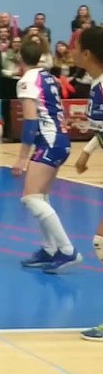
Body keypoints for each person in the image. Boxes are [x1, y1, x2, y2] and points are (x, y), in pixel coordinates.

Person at [12, 38, 82, 274]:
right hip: (59, 140)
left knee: (31, 198)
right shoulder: (49, 77)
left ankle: (67, 250)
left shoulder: (26, 82)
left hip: (50, 142)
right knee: (40, 196)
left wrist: (22, 157)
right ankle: (49, 249)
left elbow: (31, 120)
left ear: (20, 58)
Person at [71, 27, 103, 340]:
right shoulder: (96, 85)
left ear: (88, 54)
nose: (73, 50)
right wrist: (87, 151)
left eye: (77, 46)